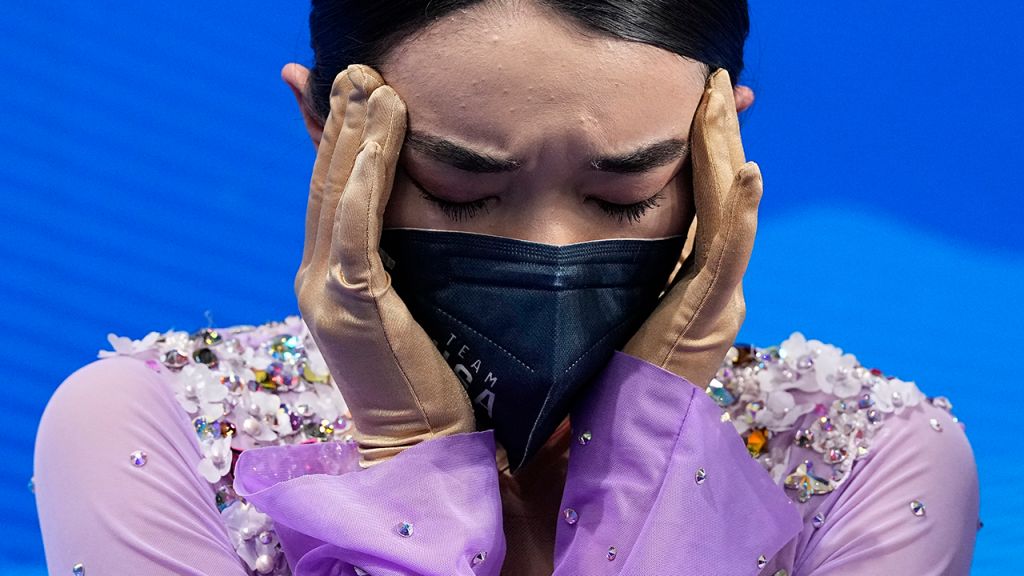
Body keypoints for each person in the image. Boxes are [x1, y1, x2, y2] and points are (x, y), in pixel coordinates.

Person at [33, 1, 981, 574]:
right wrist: (410, 468)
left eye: (624, 194)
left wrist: (653, 441)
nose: (548, 247)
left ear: (716, 152)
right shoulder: (157, 428)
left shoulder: (868, 456)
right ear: (325, 131)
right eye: (463, 189)